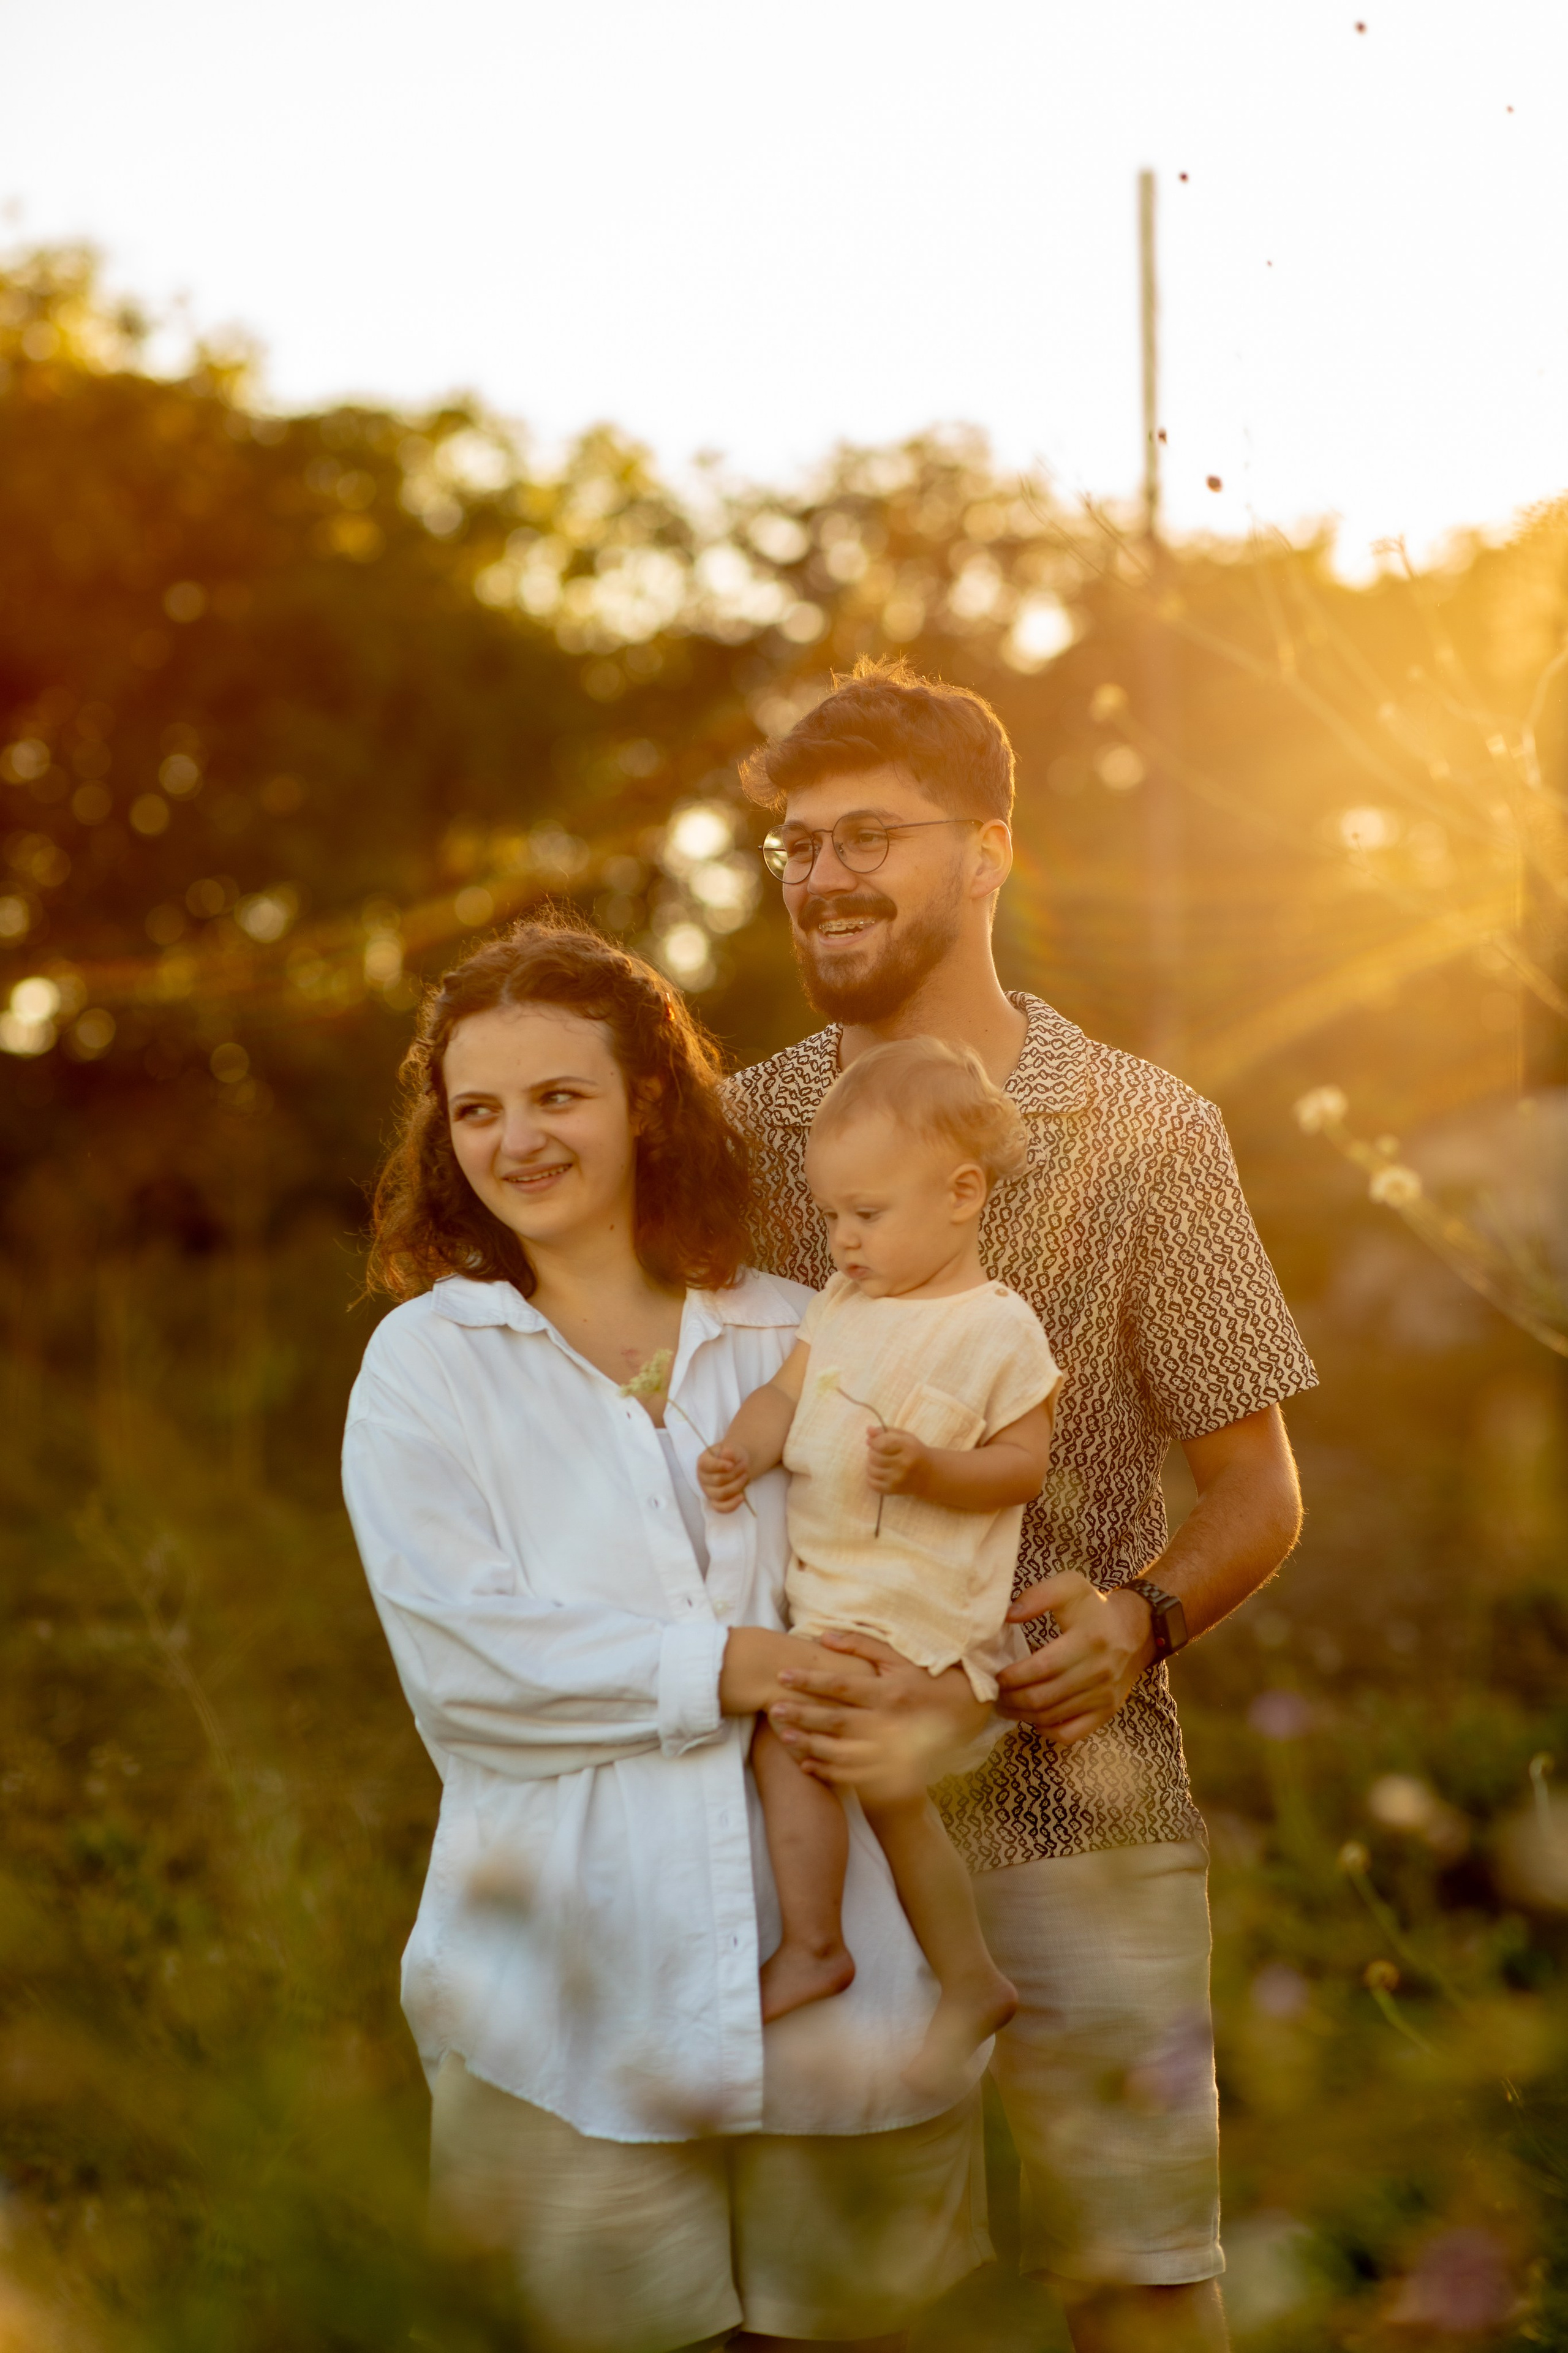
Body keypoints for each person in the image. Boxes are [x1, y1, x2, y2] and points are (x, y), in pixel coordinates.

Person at [724, 659, 1316, 2353]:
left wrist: (1144, 1617)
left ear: (987, 854)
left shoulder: (1149, 1128)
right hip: (809, 1831)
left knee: (1135, 2293)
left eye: (868, 837)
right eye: (797, 842)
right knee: (816, 2312)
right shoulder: (737, 1127)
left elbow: (1259, 1482)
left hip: (1084, 1822)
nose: (824, 876)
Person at [342, 916, 994, 2353]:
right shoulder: (428, 1366)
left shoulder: (802, 1333)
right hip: (569, 2009)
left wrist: (942, 1684)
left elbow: (939, 1576)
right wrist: (738, 1664)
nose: (516, 1139)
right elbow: (467, 1665)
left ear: (646, 1099)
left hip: (846, 2000)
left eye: (556, 1095)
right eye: (477, 1108)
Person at [697, 1036, 1061, 2098]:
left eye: (867, 1214)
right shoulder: (840, 1308)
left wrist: (933, 1467)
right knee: (841, 1763)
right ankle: (950, 1972)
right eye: (831, 1217)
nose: (843, 1239)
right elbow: (782, 1399)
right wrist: (745, 1447)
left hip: (921, 1615)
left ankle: (831, 1950)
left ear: (960, 1194)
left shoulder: (998, 1327)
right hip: (838, 1601)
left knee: (815, 1741)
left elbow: (1022, 1468)